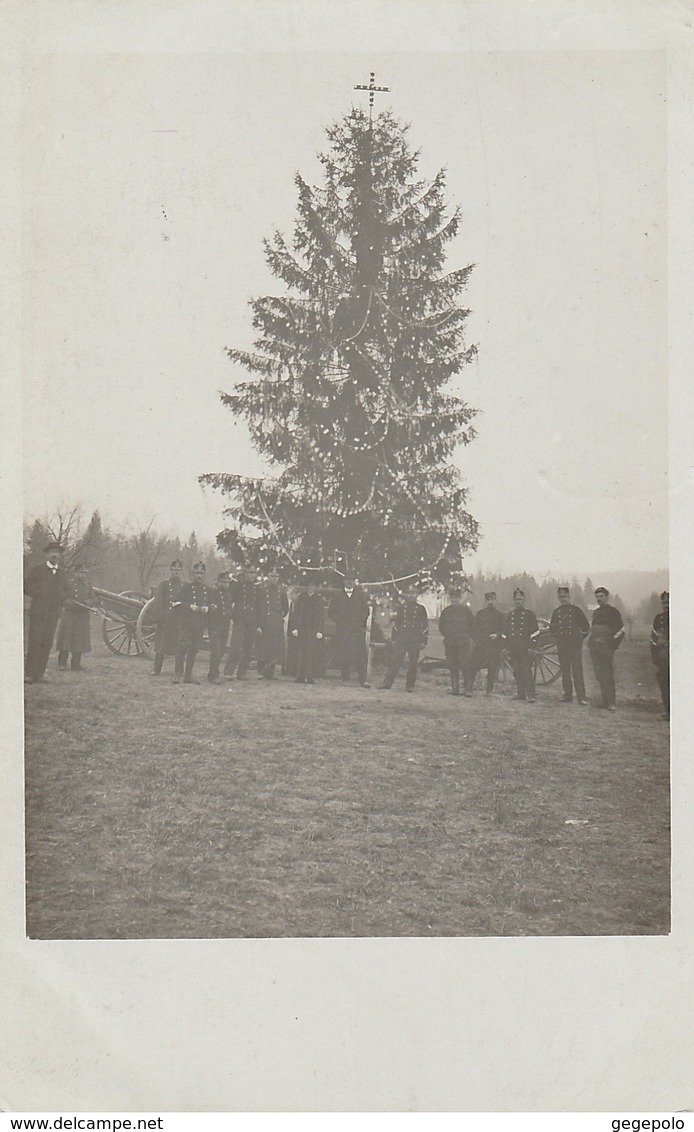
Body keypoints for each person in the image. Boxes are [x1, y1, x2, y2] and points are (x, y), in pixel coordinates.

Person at [24, 541, 69, 684]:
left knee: (47, 643)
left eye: (57, 552)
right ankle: (29, 674)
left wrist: (62, 599)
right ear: (47, 554)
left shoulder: (62, 573)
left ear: (60, 556)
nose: (55, 555)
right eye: (52, 552)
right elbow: (26, 586)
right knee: (35, 642)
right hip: (38, 612)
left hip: (53, 614)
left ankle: (40, 674)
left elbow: (66, 590)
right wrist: (39, 594)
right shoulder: (37, 570)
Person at [379, 586, 429, 693]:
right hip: (402, 638)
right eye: (410, 593)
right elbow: (397, 624)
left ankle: (410, 685)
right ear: (406, 595)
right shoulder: (401, 608)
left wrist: (423, 641)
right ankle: (387, 683)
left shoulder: (421, 609)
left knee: (413, 663)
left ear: (417, 595)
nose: (412, 595)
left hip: (415, 639)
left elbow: (425, 626)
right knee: (395, 661)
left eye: (414, 593)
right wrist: (394, 638)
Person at [173, 562, 215, 685]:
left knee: (194, 649)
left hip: (200, 624)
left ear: (204, 574)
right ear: (193, 574)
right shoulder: (186, 588)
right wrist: (190, 606)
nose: (199, 575)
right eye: (197, 573)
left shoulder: (207, 590)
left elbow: (213, 606)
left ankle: (188, 675)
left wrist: (207, 608)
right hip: (187, 623)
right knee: (182, 647)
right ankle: (177, 674)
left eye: (201, 573)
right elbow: (175, 603)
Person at [548, 585, 590, 704]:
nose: (563, 599)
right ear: (558, 598)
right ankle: (567, 695)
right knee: (565, 671)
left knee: (577, 670)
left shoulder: (576, 611)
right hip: (562, 645)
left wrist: (579, 639)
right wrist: (560, 638)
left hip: (575, 645)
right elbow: (552, 629)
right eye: (561, 597)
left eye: (565, 596)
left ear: (569, 596)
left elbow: (586, 628)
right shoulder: (556, 612)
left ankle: (581, 697)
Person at [328, 574, 371, 687]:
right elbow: (331, 612)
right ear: (343, 582)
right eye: (347, 580)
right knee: (344, 654)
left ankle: (363, 680)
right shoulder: (338, 595)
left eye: (351, 580)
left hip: (357, 630)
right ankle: (345, 678)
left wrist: (360, 622)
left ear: (354, 582)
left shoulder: (360, 595)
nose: (349, 582)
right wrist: (340, 621)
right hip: (343, 630)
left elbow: (365, 611)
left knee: (360, 655)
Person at [588, 586, 625, 711]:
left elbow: (620, 630)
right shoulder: (596, 613)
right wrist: (592, 643)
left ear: (607, 597)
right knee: (599, 674)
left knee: (607, 674)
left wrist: (612, 645)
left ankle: (611, 703)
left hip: (607, 648)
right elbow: (594, 630)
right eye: (597, 597)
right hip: (595, 648)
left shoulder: (613, 612)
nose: (599, 599)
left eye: (601, 596)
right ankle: (604, 701)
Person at [56, 562, 96, 671]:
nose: (83, 575)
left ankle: (76, 663)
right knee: (66, 639)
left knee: (79, 640)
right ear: (75, 573)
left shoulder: (88, 585)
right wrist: (66, 602)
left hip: (82, 615)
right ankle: (62, 663)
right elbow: (61, 595)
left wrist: (89, 602)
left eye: (85, 573)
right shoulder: (69, 584)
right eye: (81, 573)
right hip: (69, 614)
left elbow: (94, 599)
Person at [504, 588, 540, 702]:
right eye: (516, 599)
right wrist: (506, 647)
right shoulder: (511, 615)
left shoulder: (529, 615)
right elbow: (506, 633)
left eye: (520, 599)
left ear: (524, 600)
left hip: (525, 648)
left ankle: (531, 695)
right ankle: (521, 693)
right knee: (516, 671)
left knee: (526, 670)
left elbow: (535, 632)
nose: (518, 601)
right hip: (514, 647)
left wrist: (532, 647)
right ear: (513, 601)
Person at [149, 559, 184, 675]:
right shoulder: (164, 585)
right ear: (171, 570)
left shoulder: (184, 586)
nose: (177, 572)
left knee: (179, 647)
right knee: (161, 646)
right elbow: (158, 602)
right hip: (166, 619)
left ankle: (178, 671)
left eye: (179, 570)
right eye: (175, 570)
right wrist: (160, 618)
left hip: (178, 619)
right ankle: (156, 669)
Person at [438, 589, 475, 696]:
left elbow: (472, 626)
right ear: (450, 599)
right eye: (452, 598)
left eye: (456, 598)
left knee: (465, 665)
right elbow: (442, 627)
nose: (454, 600)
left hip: (463, 643)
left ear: (459, 599)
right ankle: (455, 688)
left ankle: (468, 689)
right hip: (450, 643)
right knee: (452, 665)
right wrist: (448, 636)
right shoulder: (445, 611)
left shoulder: (466, 611)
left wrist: (467, 638)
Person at [289, 575, 325, 683]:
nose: (311, 588)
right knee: (301, 653)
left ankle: (310, 676)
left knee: (311, 653)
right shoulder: (301, 598)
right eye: (309, 586)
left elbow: (321, 616)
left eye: (313, 586)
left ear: (315, 587)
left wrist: (320, 630)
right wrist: (295, 628)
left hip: (313, 629)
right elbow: (296, 614)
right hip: (302, 628)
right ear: (306, 587)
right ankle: (300, 676)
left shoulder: (319, 599)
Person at [225, 566, 258, 680]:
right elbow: (229, 600)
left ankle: (242, 673)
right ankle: (228, 672)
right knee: (236, 646)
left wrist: (258, 623)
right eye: (250, 572)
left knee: (248, 648)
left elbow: (260, 606)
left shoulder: (257, 588)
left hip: (252, 620)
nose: (252, 575)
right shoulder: (237, 585)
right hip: (240, 618)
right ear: (245, 573)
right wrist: (233, 615)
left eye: (254, 573)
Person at [469, 591, 505, 695]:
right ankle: (469, 688)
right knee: (473, 665)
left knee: (492, 667)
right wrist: (477, 640)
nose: (490, 602)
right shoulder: (479, 614)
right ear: (485, 601)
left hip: (493, 646)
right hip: (481, 644)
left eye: (492, 600)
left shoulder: (500, 615)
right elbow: (473, 629)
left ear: (496, 601)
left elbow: (504, 630)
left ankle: (489, 690)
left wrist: (497, 635)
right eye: (489, 600)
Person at [256, 570, 290, 680]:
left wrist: (279, 617)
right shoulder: (262, 590)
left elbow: (285, 608)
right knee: (263, 646)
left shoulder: (282, 591)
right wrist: (260, 623)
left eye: (276, 576)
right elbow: (258, 607)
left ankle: (270, 672)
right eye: (272, 576)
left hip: (277, 620)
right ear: (268, 577)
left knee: (275, 647)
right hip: (265, 620)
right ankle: (261, 672)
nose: (274, 578)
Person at [207, 571, 234, 684]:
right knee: (216, 651)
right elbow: (210, 605)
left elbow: (230, 608)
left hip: (224, 625)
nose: (225, 584)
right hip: (214, 625)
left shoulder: (229, 594)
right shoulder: (213, 593)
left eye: (227, 582)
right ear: (218, 582)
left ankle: (211, 673)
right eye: (223, 582)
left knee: (222, 650)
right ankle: (214, 675)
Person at [650, 590, 669, 721]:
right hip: (662, 658)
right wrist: (656, 657)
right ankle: (667, 711)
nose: (666, 605)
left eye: (668, 602)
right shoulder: (658, 618)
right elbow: (653, 638)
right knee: (663, 684)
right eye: (663, 603)